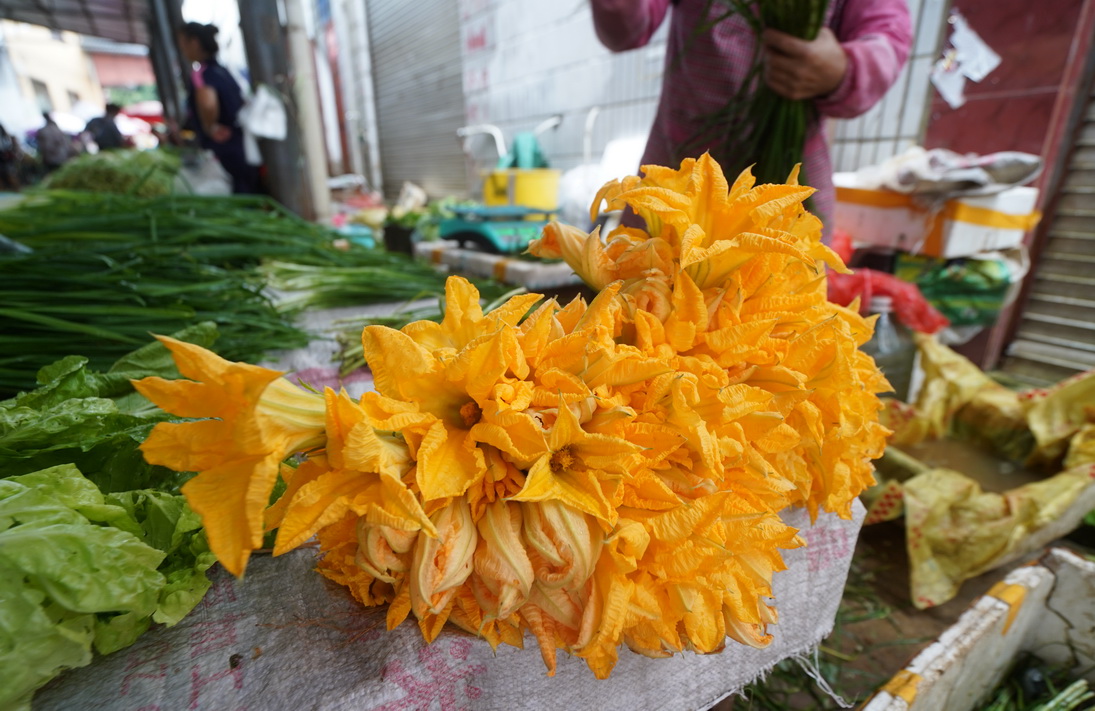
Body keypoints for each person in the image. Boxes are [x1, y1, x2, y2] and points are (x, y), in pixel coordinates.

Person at [590, 0, 913, 237]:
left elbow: (887, 31)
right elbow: (625, 31)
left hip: (789, 182)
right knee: (647, 293)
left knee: (784, 299)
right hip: (677, 175)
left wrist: (845, 68)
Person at [177, 22, 259, 194]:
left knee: (235, 192)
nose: (182, 50)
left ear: (194, 42)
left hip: (223, 148)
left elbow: (208, 103)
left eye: (183, 44)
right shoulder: (223, 70)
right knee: (247, 187)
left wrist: (210, 127)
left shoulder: (201, 72)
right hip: (239, 143)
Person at [0, 124, 22, 190]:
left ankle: (16, 189)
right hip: (5, 158)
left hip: (5, 158)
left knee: (10, 175)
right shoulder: (6, 136)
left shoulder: (6, 138)